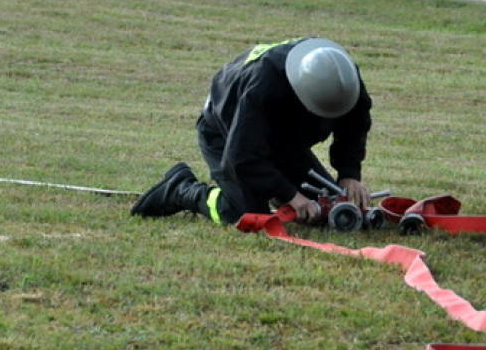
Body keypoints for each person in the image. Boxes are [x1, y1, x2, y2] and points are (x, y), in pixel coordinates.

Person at [131, 38, 373, 227]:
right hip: (226, 134)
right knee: (246, 215)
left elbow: (355, 124)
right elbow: (241, 158)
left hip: (283, 140)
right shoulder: (264, 87)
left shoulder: (342, 77)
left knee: (327, 208)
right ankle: (182, 189)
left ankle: (276, 191)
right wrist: (289, 193)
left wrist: (349, 173)